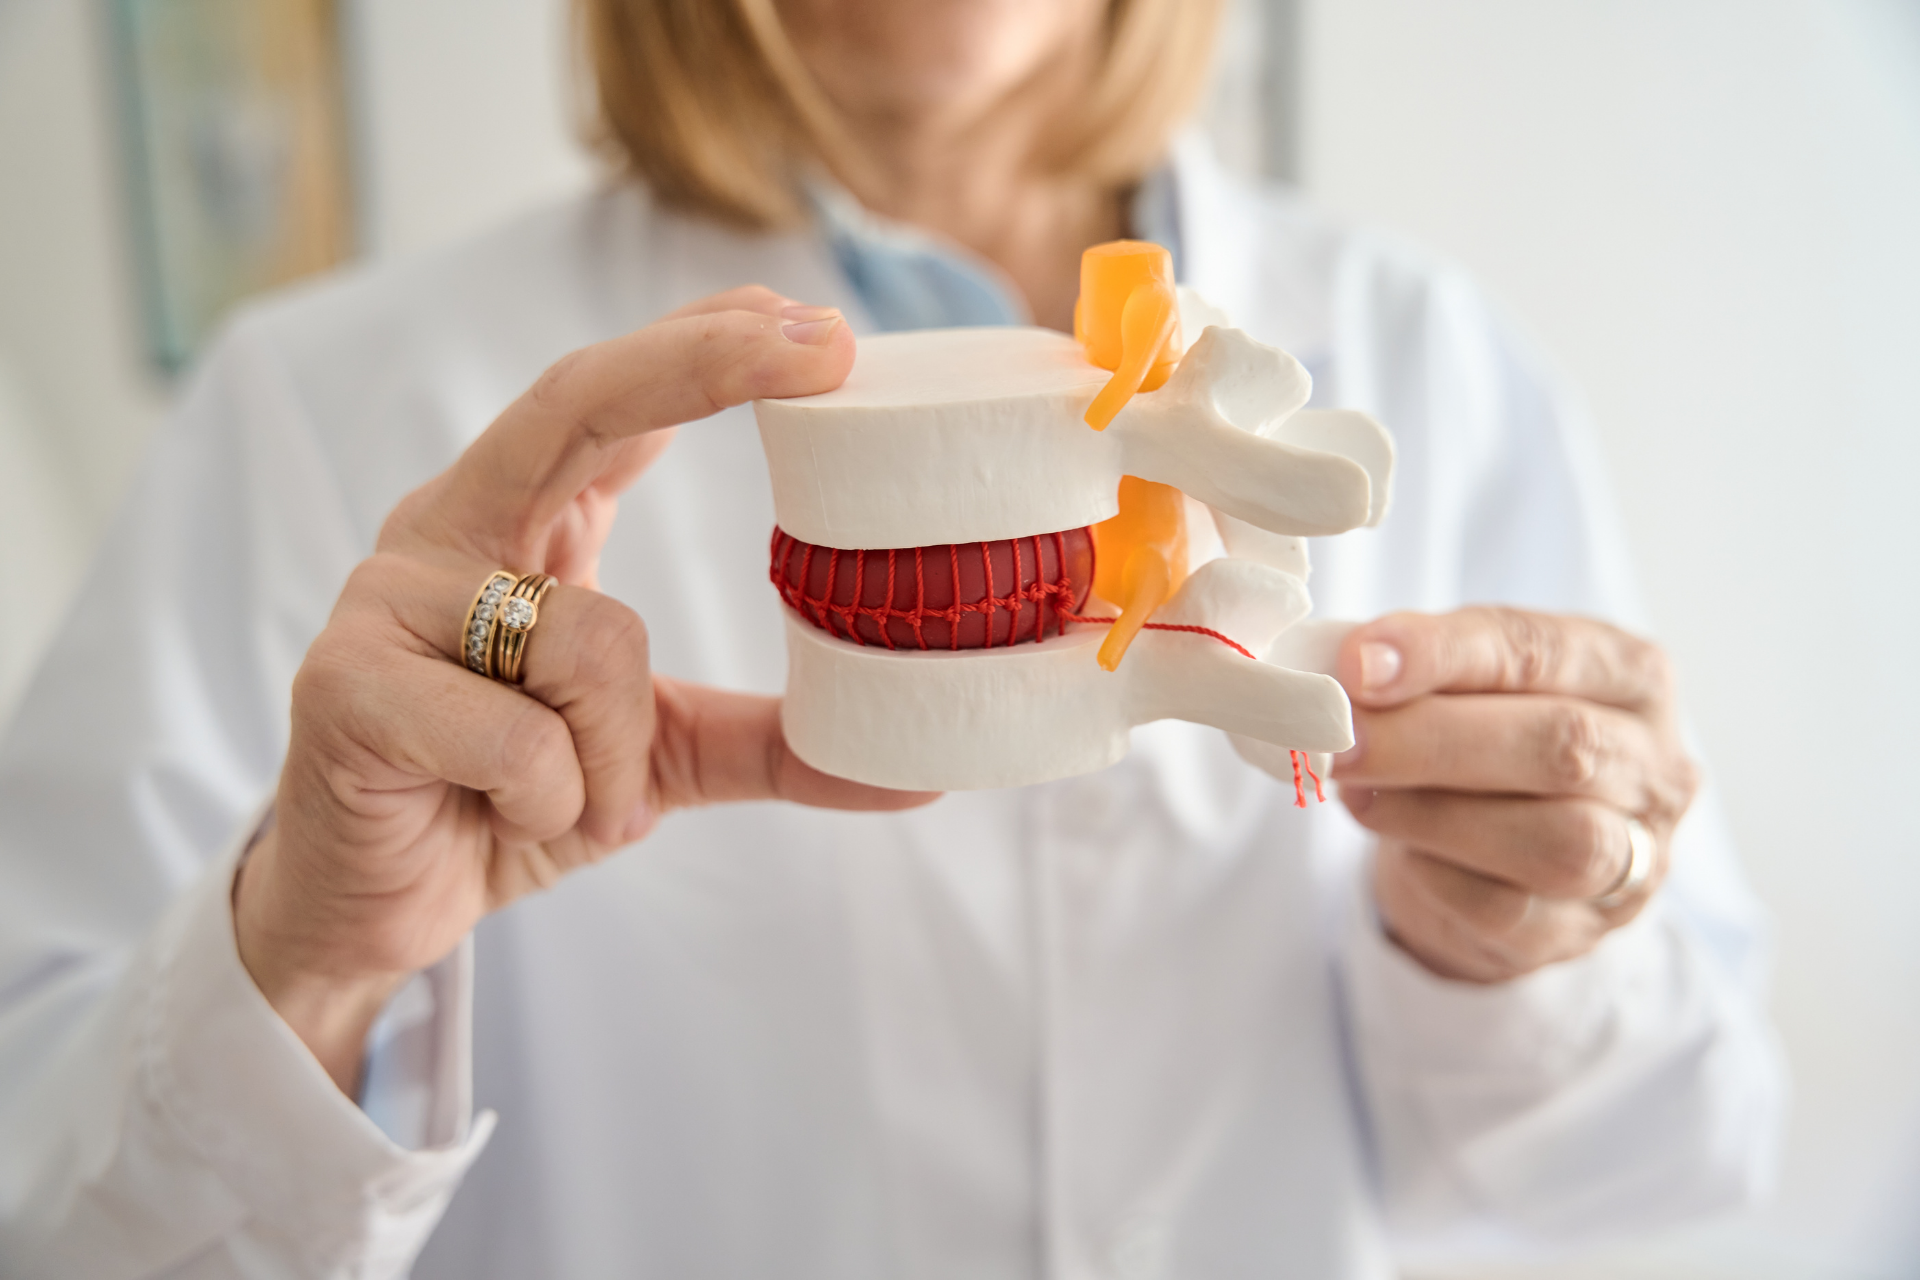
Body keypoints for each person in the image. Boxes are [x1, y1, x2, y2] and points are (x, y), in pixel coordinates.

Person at [0, 0, 1783, 1276]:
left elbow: (1687, 1158)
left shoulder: (1443, 364)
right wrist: (303, 968)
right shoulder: (321, 407)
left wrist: (1536, 947)